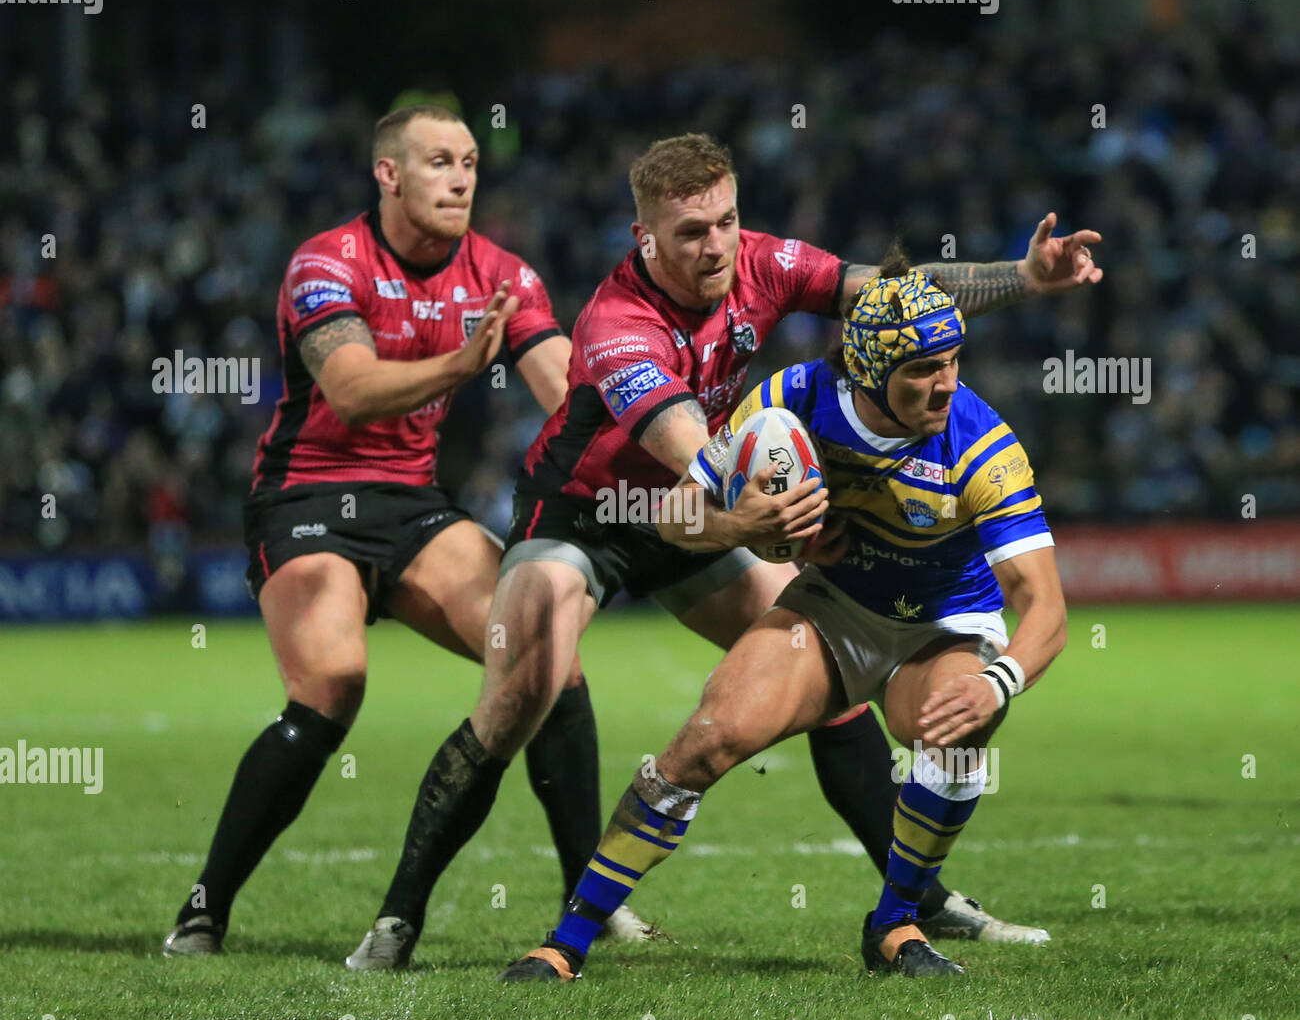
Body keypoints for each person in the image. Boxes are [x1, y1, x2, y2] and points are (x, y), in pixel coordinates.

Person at [347, 134, 1100, 969]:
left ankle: (914, 896)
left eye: (726, 222)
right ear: (645, 238)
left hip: (720, 507)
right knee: (521, 693)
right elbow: (694, 455)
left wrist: (1027, 276)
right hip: (594, 515)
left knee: (828, 680)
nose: (715, 246)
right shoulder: (617, 322)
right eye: (690, 232)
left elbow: (891, 300)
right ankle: (399, 917)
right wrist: (778, 518)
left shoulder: (763, 262)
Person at [163, 104, 650, 956]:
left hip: (413, 505)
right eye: (438, 161)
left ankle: (590, 898)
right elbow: (350, 389)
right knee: (333, 683)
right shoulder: (325, 262)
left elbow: (574, 396)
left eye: (469, 162)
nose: (462, 177)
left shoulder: (503, 275)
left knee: (548, 657)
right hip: (306, 498)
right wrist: (462, 364)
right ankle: (205, 907)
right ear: (388, 174)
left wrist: (679, 441)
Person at [501, 253, 1067, 982]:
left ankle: (894, 924)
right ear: (869, 368)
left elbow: (1044, 605)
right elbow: (678, 519)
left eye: (954, 361)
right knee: (705, 742)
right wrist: (738, 526)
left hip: (945, 626)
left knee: (954, 729)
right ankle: (568, 941)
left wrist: (1000, 680)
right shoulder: (789, 402)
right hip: (833, 612)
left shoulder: (983, 446)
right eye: (925, 368)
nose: (948, 383)